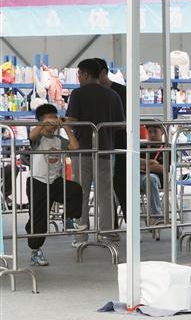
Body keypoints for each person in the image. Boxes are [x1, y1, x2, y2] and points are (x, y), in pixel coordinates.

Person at [65, 58, 124, 244]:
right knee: (105, 194)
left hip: (83, 150)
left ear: (85, 74)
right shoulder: (113, 95)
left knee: (81, 193)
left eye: (79, 74)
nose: (78, 77)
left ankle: (81, 235)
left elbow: (72, 121)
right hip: (106, 150)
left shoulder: (77, 94)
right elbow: (120, 125)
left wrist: (64, 123)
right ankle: (106, 232)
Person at [25, 103, 84, 266]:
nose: (53, 123)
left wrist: (66, 127)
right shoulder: (38, 138)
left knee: (75, 190)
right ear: (42, 121)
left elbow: (75, 146)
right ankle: (35, 251)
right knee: (39, 221)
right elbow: (32, 136)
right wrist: (44, 123)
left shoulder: (58, 140)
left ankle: (69, 219)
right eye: (50, 120)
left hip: (55, 181)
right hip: (38, 182)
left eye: (55, 119)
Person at [93, 58, 128, 230]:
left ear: (103, 73)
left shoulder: (121, 92)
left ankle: (132, 223)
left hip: (120, 145)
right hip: (102, 146)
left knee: (122, 185)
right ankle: (110, 225)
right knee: (104, 187)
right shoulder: (94, 93)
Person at [139, 124, 167, 218]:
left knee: (150, 179)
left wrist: (144, 165)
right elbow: (133, 161)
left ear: (162, 132)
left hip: (156, 178)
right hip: (138, 176)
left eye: (155, 131)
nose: (152, 134)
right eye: (150, 132)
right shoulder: (142, 146)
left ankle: (156, 216)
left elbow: (165, 169)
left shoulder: (167, 148)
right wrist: (150, 162)